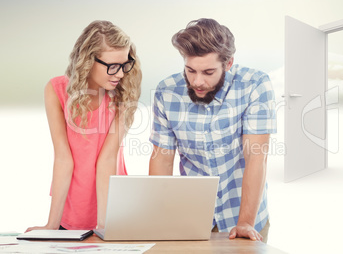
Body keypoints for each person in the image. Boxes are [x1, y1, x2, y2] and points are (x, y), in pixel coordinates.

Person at [149, 18, 276, 242]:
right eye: (190, 70)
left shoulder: (255, 85)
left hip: (245, 216)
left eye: (208, 72)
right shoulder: (166, 91)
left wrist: (245, 222)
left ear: (228, 64)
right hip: (191, 219)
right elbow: (162, 159)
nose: (197, 81)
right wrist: (158, 218)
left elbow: (256, 157)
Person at [26, 20, 142, 231]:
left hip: (112, 208)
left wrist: (104, 225)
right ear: (88, 60)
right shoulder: (56, 90)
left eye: (124, 64)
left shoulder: (123, 93)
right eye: (112, 67)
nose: (120, 74)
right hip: (71, 208)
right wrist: (51, 225)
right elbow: (63, 157)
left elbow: (108, 158)